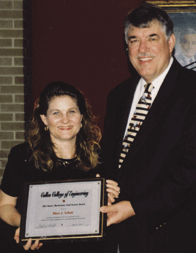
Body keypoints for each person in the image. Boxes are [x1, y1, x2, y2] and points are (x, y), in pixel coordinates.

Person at [100, 3, 196, 253]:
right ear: (127, 47)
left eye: (152, 38)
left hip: (172, 237)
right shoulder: (118, 96)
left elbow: (190, 171)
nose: (143, 49)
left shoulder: (192, 91)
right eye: (134, 40)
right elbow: (110, 161)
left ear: (171, 41)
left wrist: (135, 208)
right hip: (119, 237)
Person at [0, 81, 120, 252]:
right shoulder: (22, 155)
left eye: (72, 112)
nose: (65, 120)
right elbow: (4, 206)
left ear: (81, 117)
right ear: (44, 119)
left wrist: (108, 201)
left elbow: (106, 216)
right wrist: (28, 226)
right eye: (56, 113)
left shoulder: (102, 156)